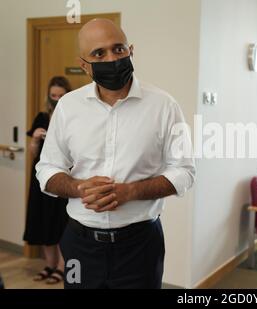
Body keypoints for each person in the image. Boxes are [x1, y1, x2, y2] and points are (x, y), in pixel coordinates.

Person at [35, 19, 195, 289]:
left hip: (140, 246)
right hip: (80, 246)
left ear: (131, 51)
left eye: (118, 49)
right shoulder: (67, 107)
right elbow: (47, 168)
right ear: (84, 64)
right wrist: (78, 187)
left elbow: (185, 171)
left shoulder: (164, 106)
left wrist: (130, 192)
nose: (111, 58)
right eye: (99, 53)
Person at [23, 76, 71, 284]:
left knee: (60, 223)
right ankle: (49, 264)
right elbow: (33, 154)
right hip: (40, 179)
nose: (57, 99)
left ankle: (61, 267)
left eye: (61, 96)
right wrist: (35, 138)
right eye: (53, 96)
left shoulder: (71, 117)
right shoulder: (42, 117)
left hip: (63, 178)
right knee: (42, 221)